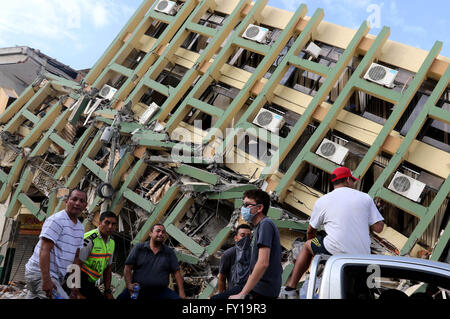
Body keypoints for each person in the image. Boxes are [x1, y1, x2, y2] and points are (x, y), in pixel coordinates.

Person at [280, 166, 385, 298]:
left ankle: (290, 288)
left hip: (333, 250)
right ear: (347, 180)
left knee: (307, 246)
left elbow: (311, 229)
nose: (353, 184)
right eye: (353, 181)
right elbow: (379, 228)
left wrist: (312, 241)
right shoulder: (365, 198)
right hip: (362, 254)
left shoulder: (323, 200)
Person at [25, 188, 87, 299]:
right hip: (40, 273)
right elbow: (44, 250)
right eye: (74, 199)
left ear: (85, 205)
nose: (78, 203)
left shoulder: (80, 228)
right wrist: (46, 279)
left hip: (54, 276)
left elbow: (76, 258)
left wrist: (73, 285)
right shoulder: (57, 220)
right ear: (66, 201)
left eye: (82, 201)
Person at [229, 189, 282, 299]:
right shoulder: (259, 227)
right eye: (243, 204)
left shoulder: (265, 225)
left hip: (263, 290)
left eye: (247, 205)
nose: (243, 208)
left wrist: (242, 294)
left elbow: (263, 263)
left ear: (259, 208)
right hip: (259, 288)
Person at [117, 224, 186, 299]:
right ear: (150, 234)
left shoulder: (169, 252)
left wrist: (181, 292)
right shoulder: (139, 248)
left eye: (163, 232)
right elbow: (127, 268)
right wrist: (129, 285)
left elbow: (177, 273)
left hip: (161, 291)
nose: (161, 234)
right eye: (158, 231)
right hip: (139, 290)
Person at [70, 211, 118, 299]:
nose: (110, 227)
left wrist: (107, 291)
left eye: (113, 224)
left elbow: (108, 268)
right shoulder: (89, 239)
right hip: (79, 280)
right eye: (107, 223)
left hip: (90, 283)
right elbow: (75, 265)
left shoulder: (111, 242)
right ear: (99, 223)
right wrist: (75, 291)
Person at [210, 223, 252, 299]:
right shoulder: (228, 254)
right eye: (242, 235)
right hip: (234, 293)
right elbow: (222, 278)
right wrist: (222, 295)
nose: (246, 238)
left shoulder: (254, 253)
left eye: (248, 236)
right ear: (236, 238)